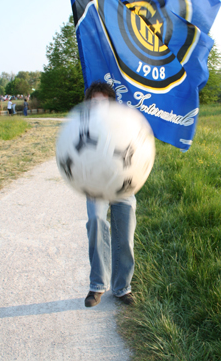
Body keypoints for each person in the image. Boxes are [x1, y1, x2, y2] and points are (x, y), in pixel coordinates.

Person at [84, 81, 136, 307]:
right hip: (96, 185)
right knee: (96, 221)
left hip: (122, 185)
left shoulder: (124, 124)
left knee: (124, 235)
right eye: (95, 102)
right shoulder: (82, 127)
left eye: (104, 102)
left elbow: (136, 153)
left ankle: (122, 288)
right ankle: (97, 286)